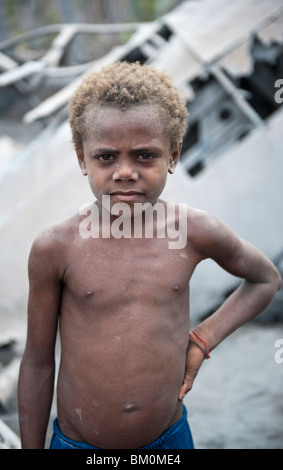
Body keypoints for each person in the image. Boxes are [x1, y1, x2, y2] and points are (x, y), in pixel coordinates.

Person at [17, 62, 282, 449]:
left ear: (173, 156)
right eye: (106, 157)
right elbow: (38, 363)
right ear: (81, 158)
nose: (125, 172)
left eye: (145, 156)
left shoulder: (195, 231)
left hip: (168, 442)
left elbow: (265, 279)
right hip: (79, 445)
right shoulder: (55, 247)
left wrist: (203, 339)